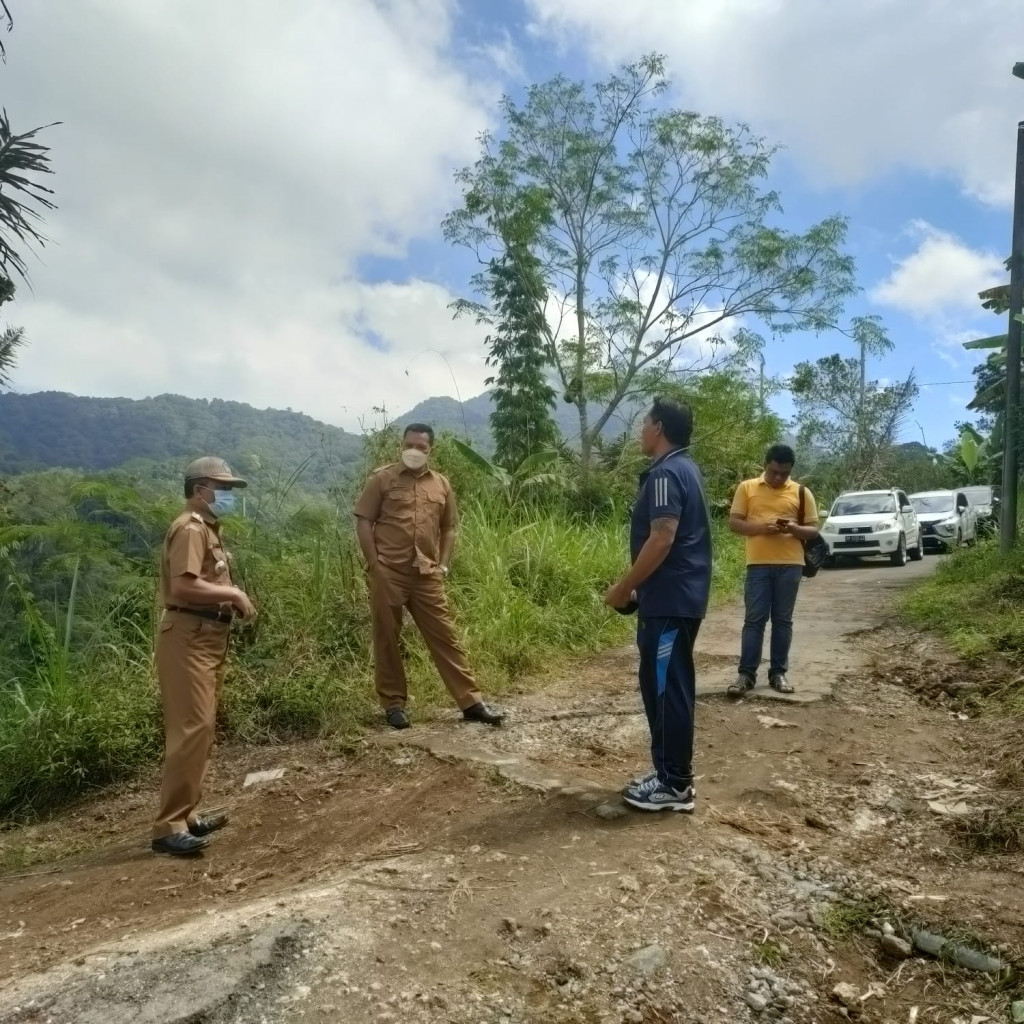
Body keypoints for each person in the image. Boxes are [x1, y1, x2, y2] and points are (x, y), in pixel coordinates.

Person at [354, 423, 504, 730]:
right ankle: (394, 705)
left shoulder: (441, 484)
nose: (414, 451)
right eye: (410, 444)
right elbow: (364, 521)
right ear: (402, 445)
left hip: (426, 574)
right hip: (389, 572)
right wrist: (374, 564)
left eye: (421, 447)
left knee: (445, 636)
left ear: (429, 450)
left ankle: (471, 702)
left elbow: (449, 527)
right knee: (387, 638)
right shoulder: (383, 478)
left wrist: (444, 564)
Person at [604, 398, 712, 813]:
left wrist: (623, 586)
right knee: (662, 685)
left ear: (659, 428)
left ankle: (675, 785)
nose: (640, 431)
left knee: (667, 689)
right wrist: (640, 589)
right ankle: (669, 773)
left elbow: (663, 537)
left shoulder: (666, 473)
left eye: (644, 423)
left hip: (670, 600)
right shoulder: (686, 469)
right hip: (669, 596)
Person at [152, 456, 257, 856]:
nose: (227, 495)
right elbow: (182, 587)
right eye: (222, 488)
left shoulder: (206, 529)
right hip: (188, 637)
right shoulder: (191, 530)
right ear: (200, 490)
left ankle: (186, 814)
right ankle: (168, 827)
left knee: (202, 728)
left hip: (206, 636)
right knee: (191, 728)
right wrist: (232, 593)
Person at [727, 444, 819, 697]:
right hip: (757, 565)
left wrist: (794, 529)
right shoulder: (747, 488)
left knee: (782, 621)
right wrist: (761, 527)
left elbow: (813, 529)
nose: (778, 478)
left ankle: (778, 673)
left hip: (791, 565)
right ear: (765, 465)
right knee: (754, 621)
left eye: (784, 473)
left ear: (791, 471)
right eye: (773, 472)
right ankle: (746, 675)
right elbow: (734, 523)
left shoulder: (801, 492)